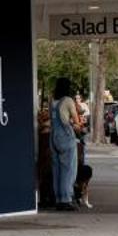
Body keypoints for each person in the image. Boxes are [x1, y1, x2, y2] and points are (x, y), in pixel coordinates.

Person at [50, 77, 79, 211]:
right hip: (66, 137)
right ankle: (66, 199)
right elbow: (76, 121)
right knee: (68, 169)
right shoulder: (68, 101)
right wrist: (78, 126)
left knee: (57, 169)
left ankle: (58, 198)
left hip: (53, 137)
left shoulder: (53, 101)